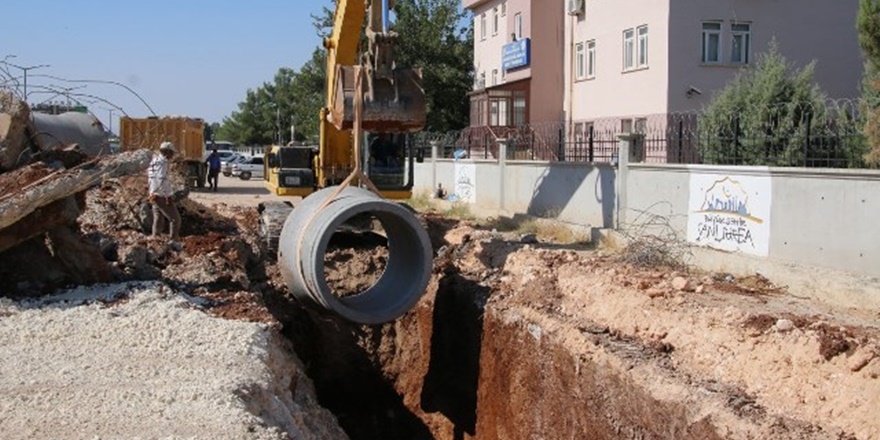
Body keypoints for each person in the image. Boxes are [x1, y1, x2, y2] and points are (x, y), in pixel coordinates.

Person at [148, 141, 182, 247]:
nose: (172, 155)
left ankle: (155, 238)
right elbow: (162, 180)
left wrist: (152, 192)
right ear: (166, 152)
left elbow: (151, 179)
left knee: (158, 218)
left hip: (153, 194)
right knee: (175, 219)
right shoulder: (163, 163)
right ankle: (173, 241)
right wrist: (168, 196)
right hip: (160, 195)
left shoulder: (154, 161)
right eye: (171, 153)